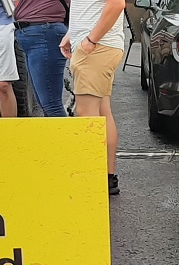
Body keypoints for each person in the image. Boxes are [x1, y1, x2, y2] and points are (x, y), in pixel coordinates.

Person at [61, 0, 126, 195]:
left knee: (87, 114)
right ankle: (106, 177)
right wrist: (72, 34)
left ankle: (92, 176)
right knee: (102, 111)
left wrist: (90, 40)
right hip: (97, 46)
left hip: (96, 47)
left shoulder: (94, 44)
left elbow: (116, 4)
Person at [15, 0, 70, 117]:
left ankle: (62, 129)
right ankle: (56, 129)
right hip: (34, 31)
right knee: (46, 103)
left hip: (44, 31)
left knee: (51, 105)